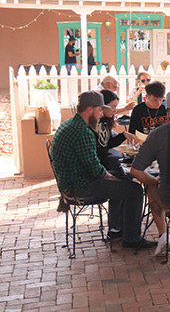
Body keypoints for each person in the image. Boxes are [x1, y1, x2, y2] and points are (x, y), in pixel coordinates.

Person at [49, 90, 155, 249]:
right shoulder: (82, 131)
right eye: (99, 110)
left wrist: (113, 177)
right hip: (78, 185)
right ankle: (131, 239)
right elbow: (93, 167)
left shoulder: (72, 123)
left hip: (74, 179)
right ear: (89, 110)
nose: (101, 115)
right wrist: (110, 177)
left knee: (122, 179)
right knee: (134, 190)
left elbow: (92, 164)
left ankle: (116, 230)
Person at [130, 90, 170, 256]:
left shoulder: (158, 134)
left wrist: (155, 182)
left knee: (152, 187)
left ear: (169, 112)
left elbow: (135, 171)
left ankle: (164, 236)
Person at [95, 90, 141, 179]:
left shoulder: (105, 121)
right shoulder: (95, 124)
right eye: (112, 107)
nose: (115, 110)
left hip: (105, 158)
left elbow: (108, 143)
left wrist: (124, 135)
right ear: (102, 106)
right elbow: (102, 148)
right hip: (101, 164)